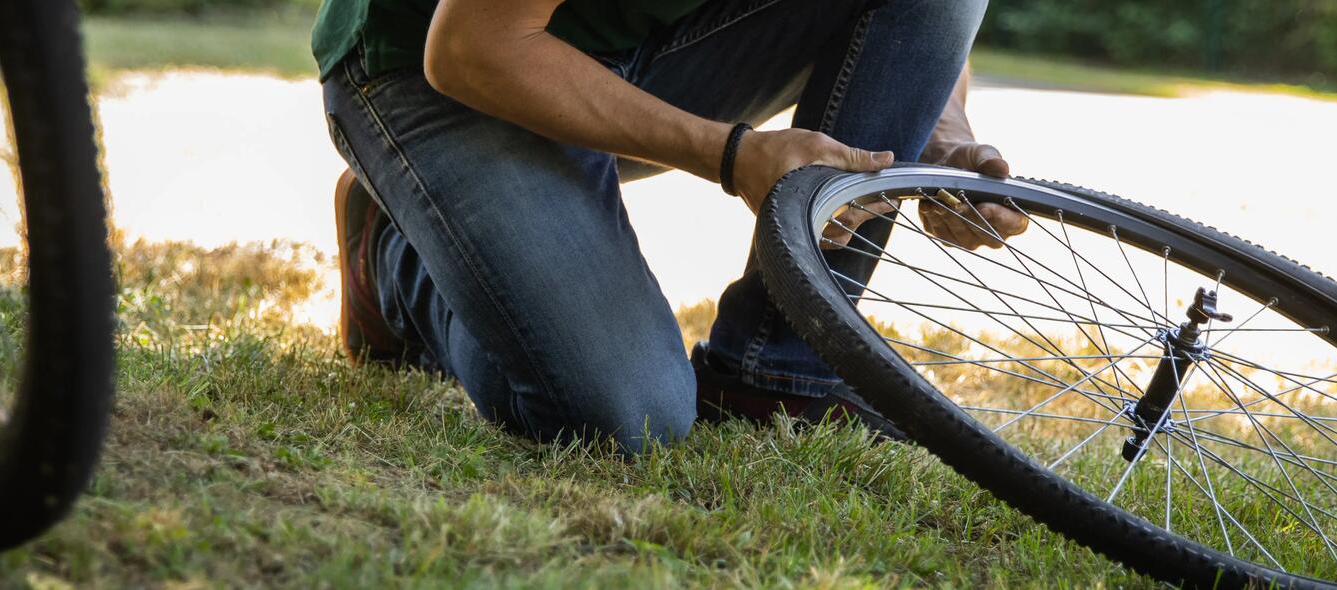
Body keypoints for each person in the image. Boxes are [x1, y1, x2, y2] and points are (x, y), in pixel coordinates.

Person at [316, 0, 1028, 454]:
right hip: (438, 69)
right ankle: (393, 257)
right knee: (624, 416)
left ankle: (772, 372)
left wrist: (940, 137)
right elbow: (468, 47)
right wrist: (732, 155)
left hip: (638, 44)